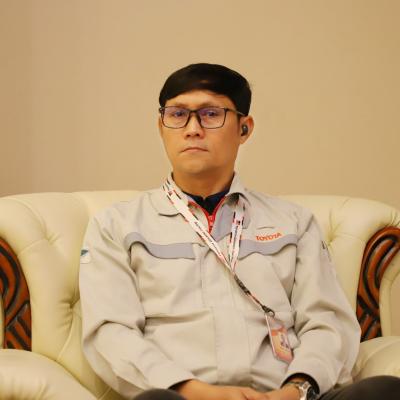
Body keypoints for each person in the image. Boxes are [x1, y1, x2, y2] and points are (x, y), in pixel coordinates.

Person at [79, 63, 400, 400]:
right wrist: (197, 392)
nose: (192, 129)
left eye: (211, 114)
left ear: (244, 129)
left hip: (285, 396)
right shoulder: (116, 226)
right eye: (177, 115)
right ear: (161, 126)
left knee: (385, 392)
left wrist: (295, 390)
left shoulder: (294, 222)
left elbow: (327, 323)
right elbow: (112, 333)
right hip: (181, 396)